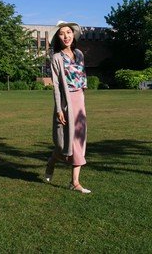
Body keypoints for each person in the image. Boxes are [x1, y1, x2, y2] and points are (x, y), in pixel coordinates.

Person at [44, 21, 90, 194]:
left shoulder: (79, 54)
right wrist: (59, 108)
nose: (66, 36)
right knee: (63, 144)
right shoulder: (56, 57)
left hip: (79, 100)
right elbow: (56, 86)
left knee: (79, 139)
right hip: (66, 102)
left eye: (69, 32)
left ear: (73, 34)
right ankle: (52, 161)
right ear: (58, 37)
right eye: (62, 33)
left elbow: (82, 76)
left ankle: (74, 182)